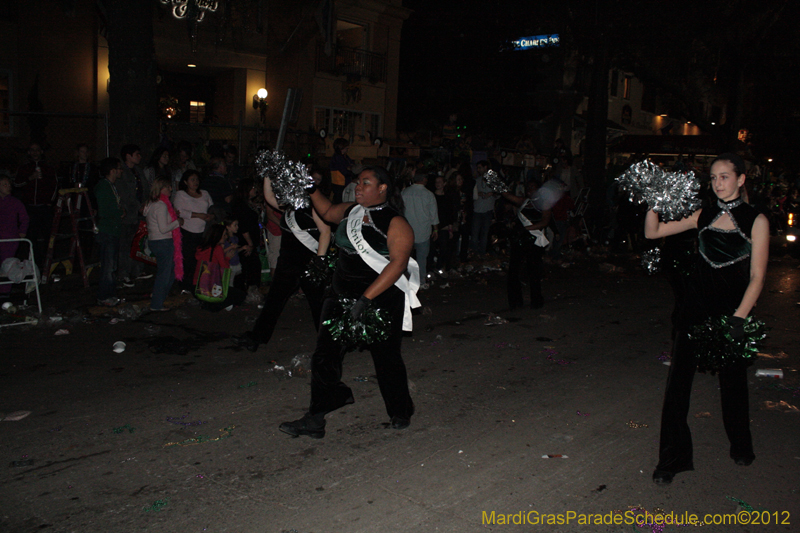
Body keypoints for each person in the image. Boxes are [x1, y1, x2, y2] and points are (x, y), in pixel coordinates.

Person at [644, 153, 769, 485]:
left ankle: (741, 444)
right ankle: (672, 459)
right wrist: (657, 201)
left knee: (733, 384)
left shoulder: (756, 219)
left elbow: (757, 276)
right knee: (677, 388)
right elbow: (653, 232)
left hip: (732, 314)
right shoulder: (705, 213)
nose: (718, 183)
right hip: (694, 312)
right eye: (713, 178)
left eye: (724, 177)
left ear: (741, 179)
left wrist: (738, 319)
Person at [279, 166, 419, 438]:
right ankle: (317, 416)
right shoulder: (352, 211)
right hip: (340, 295)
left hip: (379, 299)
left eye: (365, 183)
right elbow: (327, 211)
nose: (358, 187)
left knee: (386, 358)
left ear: (382, 188)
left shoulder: (396, 222)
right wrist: (311, 189)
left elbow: (398, 264)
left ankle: (400, 410)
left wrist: (365, 300)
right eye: (357, 182)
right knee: (324, 355)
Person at [234, 170, 331, 352]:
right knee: (273, 303)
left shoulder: (314, 206)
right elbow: (269, 197)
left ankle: (329, 343)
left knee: (319, 305)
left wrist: (320, 260)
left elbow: (325, 231)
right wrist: (267, 175)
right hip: (287, 265)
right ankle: (257, 337)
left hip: (308, 265)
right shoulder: (289, 208)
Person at [502, 181, 551, 309]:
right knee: (514, 270)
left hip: (533, 241)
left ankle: (536, 301)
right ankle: (515, 302)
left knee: (533, 271)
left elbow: (545, 222)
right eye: (528, 187)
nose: (529, 189)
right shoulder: (524, 201)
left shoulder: (544, 204)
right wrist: (496, 184)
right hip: (520, 239)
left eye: (532, 187)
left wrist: (528, 228)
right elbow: (507, 195)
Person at [13, 142, 58, 266]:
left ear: (41, 152)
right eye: (32, 150)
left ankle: (48, 263)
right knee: (31, 237)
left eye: (37, 150)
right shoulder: (24, 168)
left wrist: (49, 202)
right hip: (30, 208)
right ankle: (34, 262)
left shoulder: (48, 168)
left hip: (44, 208)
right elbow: (16, 184)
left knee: (48, 236)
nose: (35, 152)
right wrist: (29, 178)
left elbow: (54, 186)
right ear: (28, 152)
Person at [143, 177, 184, 312]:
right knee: (164, 274)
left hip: (156, 241)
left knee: (168, 272)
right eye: (168, 187)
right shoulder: (160, 205)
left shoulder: (152, 203)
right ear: (160, 189)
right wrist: (178, 222)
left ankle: (158, 296)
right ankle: (156, 304)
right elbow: (163, 228)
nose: (171, 189)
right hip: (163, 241)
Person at [173, 169, 214, 291]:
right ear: (185, 182)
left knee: (200, 260)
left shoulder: (205, 193)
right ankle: (185, 286)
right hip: (188, 232)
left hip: (203, 232)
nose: (195, 182)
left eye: (196, 179)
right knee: (188, 260)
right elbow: (179, 211)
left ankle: (199, 284)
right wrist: (198, 215)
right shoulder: (181, 194)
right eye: (192, 179)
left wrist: (210, 216)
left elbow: (212, 207)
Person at [93, 157, 125, 307]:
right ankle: (104, 295)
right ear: (112, 171)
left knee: (112, 266)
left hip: (114, 230)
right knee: (108, 266)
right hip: (107, 230)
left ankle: (110, 294)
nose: (121, 171)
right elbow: (105, 210)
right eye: (119, 168)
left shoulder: (112, 186)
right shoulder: (103, 187)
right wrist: (119, 213)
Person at [193, 223, 246, 312]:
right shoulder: (217, 249)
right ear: (218, 236)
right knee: (241, 296)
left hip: (198, 285)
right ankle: (213, 306)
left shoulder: (203, 247)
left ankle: (207, 303)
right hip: (211, 285)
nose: (226, 237)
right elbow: (225, 267)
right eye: (224, 234)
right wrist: (228, 257)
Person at [402, 172, 439, 285]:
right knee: (422, 258)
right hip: (423, 230)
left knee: (406, 257)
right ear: (424, 179)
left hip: (407, 230)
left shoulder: (405, 192)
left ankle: (405, 279)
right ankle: (421, 280)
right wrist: (436, 229)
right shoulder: (428, 194)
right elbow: (433, 214)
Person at [117, 144, 146, 286]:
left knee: (139, 242)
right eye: (137, 154)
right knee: (126, 245)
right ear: (128, 156)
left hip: (140, 213)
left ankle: (137, 271)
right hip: (128, 215)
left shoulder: (138, 171)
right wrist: (137, 205)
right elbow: (124, 194)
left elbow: (145, 189)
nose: (139, 157)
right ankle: (124, 274)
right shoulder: (122, 172)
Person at [0, 173, 29, 299]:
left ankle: (4, 292)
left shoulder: (15, 202)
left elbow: (25, 218)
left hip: (10, 239)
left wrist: (22, 233)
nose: (8, 187)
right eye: (4, 185)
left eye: (9, 184)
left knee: (7, 265)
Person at [229, 179, 261, 291]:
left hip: (252, 239)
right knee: (247, 266)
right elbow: (243, 226)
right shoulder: (240, 205)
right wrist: (250, 243)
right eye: (252, 188)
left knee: (252, 266)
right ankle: (243, 291)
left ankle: (248, 290)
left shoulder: (248, 203)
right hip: (245, 241)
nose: (255, 190)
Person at [470, 160, 497, 256]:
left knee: (484, 234)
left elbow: (500, 194)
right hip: (477, 210)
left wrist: (491, 193)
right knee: (475, 234)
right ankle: (474, 252)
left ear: (485, 167)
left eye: (480, 167)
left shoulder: (494, 180)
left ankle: (481, 253)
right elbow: (471, 194)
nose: (478, 170)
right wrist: (478, 194)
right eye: (477, 168)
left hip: (488, 210)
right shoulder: (477, 180)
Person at [433, 174, 458, 273]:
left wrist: (450, 229)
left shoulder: (447, 197)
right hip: (432, 227)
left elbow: (449, 214)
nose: (438, 184)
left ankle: (439, 266)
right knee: (432, 250)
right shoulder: (432, 196)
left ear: (444, 183)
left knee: (444, 248)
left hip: (443, 226)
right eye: (436, 182)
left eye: (440, 182)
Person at [329, 138, 354, 203]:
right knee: (339, 201)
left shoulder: (344, 156)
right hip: (339, 184)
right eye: (346, 147)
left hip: (343, 183)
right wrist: (352, 173)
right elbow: (344, 170)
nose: (347, 149)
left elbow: (351, 164)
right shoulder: (337, 158)